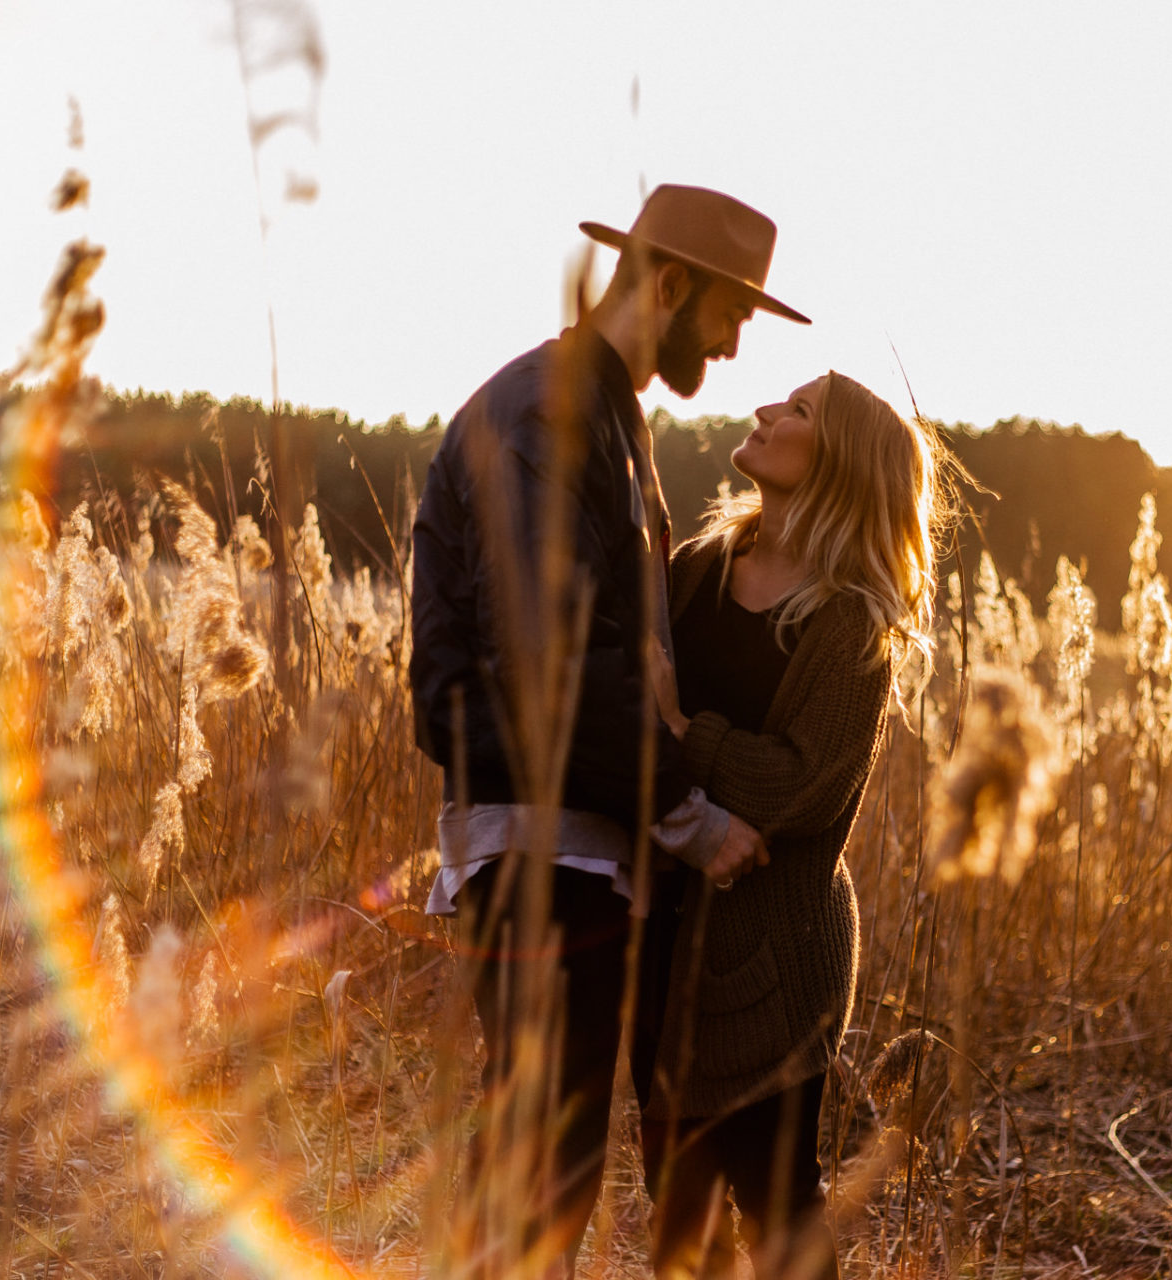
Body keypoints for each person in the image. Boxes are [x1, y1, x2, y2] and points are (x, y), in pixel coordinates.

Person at [409, 184, 809, 1278]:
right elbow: (554, 654)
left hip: (579, 837)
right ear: (671, 285)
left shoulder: (610, 417)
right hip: (543, 840)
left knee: (550, 1145)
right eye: (730, 314)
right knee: (543, 1146)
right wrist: (683, 810)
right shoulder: (552, 412)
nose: (732, 348)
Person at [634, 372, 953, 1280]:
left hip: (775, 958)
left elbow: (791, 786)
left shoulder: (852, 624)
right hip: (661, 933)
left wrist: (684, 731)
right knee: (673, 1197)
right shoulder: (694, 571)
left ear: (841, 465)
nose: (766, 411)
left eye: (799, 411)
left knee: (775, 1204)